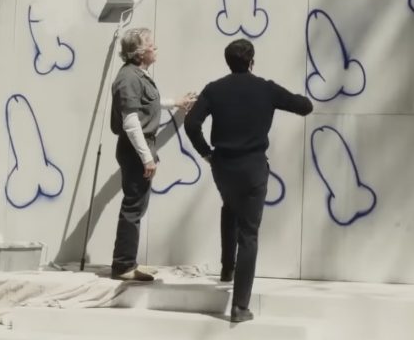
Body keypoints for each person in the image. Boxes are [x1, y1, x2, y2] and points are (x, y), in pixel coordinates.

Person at [184, 39, 313, 322]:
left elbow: (191, 124)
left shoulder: (214, 89)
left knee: (230, 206)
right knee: (249, 234)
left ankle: (227, 268)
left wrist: (206, 153)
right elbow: (304, 107)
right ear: (252, 61)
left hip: (223, 167)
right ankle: (240, 307)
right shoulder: (266, 88)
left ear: (228, 61)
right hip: (253, 167)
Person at [109, 27, 196, 281]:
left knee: (136, 206)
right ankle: (123, 265)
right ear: (139, 52)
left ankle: (127, 262)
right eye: (151, 45)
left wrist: (175, 102)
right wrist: (146, 157)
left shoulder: (137, 75)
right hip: (136, 149)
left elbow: (148, 103)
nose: (155, 48)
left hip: (141, 147)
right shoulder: (128, 78)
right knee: (133, 207)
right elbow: (131, 121)